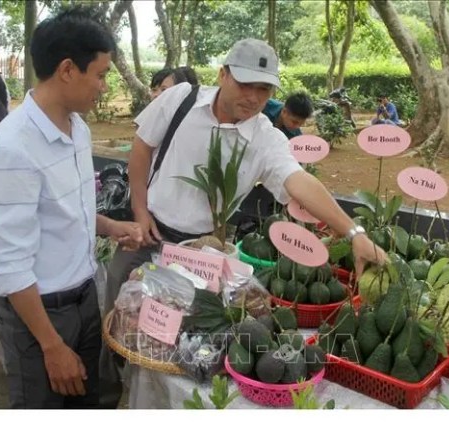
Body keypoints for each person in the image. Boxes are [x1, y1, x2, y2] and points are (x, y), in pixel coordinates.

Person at [100, 38, 387, 408]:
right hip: (146, 237)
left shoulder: (265, 138)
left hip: (203, 260)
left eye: (264, 88)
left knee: (170, 346)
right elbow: (141, 149)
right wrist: (140, 212)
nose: (254, 97)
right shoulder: (180, 99)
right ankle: (106, 399)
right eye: (245, 84)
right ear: (223, 74)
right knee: (119, 327)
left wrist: (354, 231)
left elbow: (299, 181)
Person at [0, 7, 143, 409]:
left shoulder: (76, 127)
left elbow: (67, 209)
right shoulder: (10, 150)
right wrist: (51, 345)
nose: (103, 86)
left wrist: (107, 226)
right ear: (67, 69)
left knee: (84, 405)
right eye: (100, 75)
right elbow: (10, 264)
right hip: (41, 317)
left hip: (83, 300)